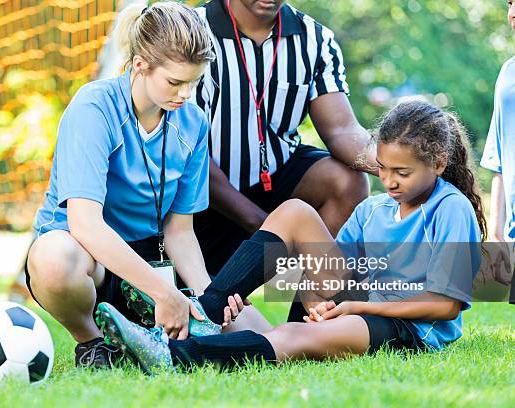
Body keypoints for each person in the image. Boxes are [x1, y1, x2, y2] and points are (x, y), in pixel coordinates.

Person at [96, 100, 486, 373]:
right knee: (296, 212)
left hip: (407, 329)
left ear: (438, 164)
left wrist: (354, 309)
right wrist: (321, 303)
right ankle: (207, 312)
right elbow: (336, 272)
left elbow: (444, 305)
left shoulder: (450, 209)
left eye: (402, 172)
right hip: (359, 306)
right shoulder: (374, 209)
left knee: (292, 337)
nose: (387, 181)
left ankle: (172, 354)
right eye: (382, 168)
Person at [25, 2, 229, 370]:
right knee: (53, 260)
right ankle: (94, 344)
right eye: (174, 82)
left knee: (244, 330)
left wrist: (204, 299)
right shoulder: (93, 107)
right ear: (140, 66)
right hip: (89, 257)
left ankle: (140, 336)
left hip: (150, 263)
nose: (184, 94)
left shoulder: (193, 123)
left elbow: (180, 232)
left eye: (193, 82)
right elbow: (84, 224)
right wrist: (164, 293)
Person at [190, 0, 374, 323]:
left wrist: (397, 162)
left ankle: (307, 318)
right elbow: (188, 154)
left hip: (278, 180)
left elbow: (343, 129)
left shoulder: (315, 39)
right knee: (192, 312)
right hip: (202, 198)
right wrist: (267, 225)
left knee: (349, 181)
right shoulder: (191, 30)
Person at [479, 0, 515, 301]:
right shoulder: (507, 74)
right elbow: (499, 159)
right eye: (510, 3)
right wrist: (496, 232)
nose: (513, 12)